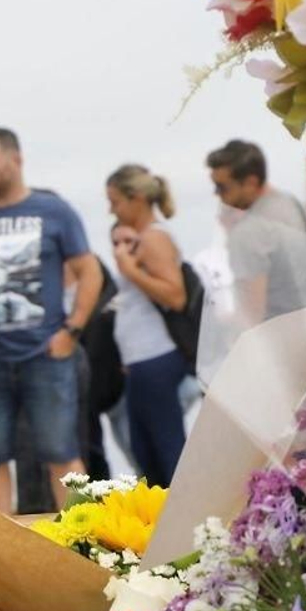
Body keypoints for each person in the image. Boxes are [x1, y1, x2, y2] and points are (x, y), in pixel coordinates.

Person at [0, 128, 103, 513]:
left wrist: (73, 330)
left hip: (46, 352)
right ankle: (2, 554)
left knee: (62, 453)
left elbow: (89, 270)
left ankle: (84, 544)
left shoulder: (54, 211)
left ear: (15, 160)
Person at [105, 166, 190, 488]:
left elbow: (176, 295)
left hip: (157, 357)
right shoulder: (143, 239)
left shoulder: (154, 238)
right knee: (143, 450)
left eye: (115, 202)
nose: (111, 210)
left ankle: (182, 523)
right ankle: (159, 524)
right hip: (140, 361)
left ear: (136, 199)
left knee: (165, 450)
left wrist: (130, 271)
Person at [206, 139, 306, 322]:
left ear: (251, 182)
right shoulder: (293, 204)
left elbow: (250, 316)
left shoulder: (249, 231)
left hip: (277, 341)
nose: (216, 194)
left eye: (222, 187)